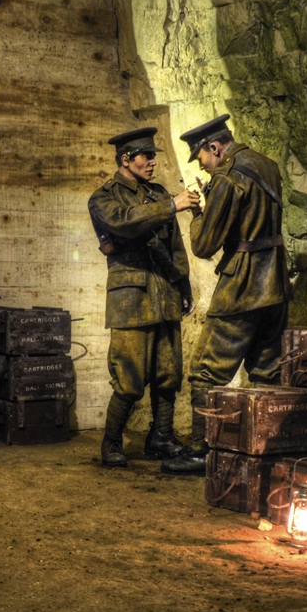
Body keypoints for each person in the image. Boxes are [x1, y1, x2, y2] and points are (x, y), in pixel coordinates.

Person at [167, 113, 289, 475]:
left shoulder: (227, 177)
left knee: (205, 372)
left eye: (202, 158)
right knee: (266, 372)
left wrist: (198, 213)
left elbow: (204, 245)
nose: (203, 167)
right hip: (276, 284)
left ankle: (204, 452)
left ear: (215, 147)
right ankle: (268, 451)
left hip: (243, 287)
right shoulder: (267, 166)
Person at [87, 126, 201, 468]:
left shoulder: (158, 194)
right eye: (146, 156)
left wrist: (183, 285)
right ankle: (111, 442)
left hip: (164, 291)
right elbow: (124, 222)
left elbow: (174, 245)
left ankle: (161, 437)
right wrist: (171, 205)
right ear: (126, 159)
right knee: (129, 377)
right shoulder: (103, 198)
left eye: (153, 155)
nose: (152, 162)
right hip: (131, 298)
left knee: (168, 374)